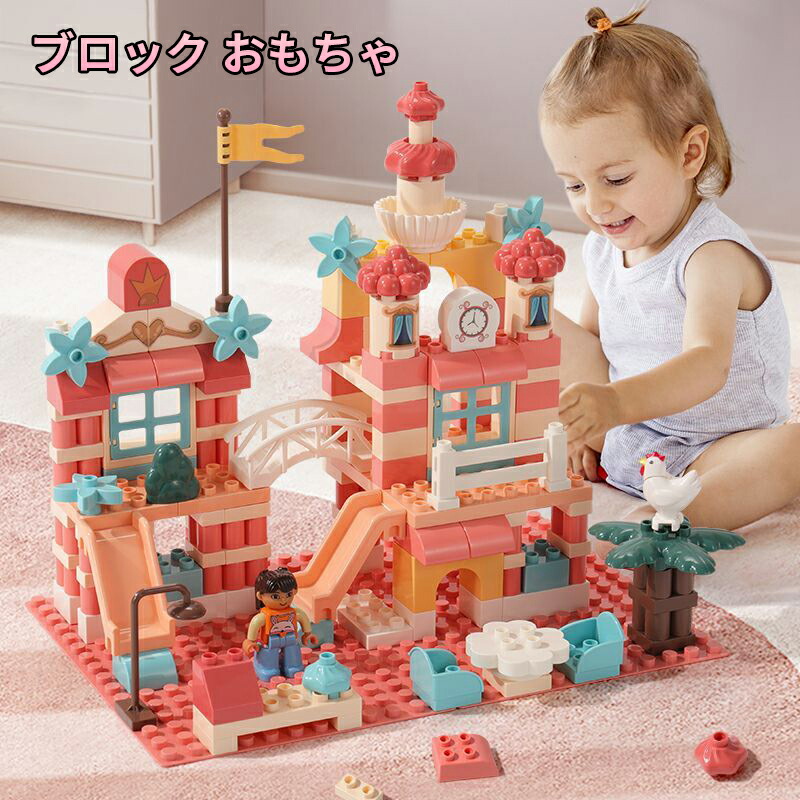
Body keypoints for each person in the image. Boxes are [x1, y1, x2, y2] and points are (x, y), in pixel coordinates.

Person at [538, 4, 799, 532]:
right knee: (530, 314)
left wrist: (613, 404)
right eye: (574, 185)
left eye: (616, 179)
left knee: (793, 449)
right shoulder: (602, 247)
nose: (595, 205)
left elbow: (706, 365)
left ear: (689, 154)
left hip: (718, 446)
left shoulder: (712, 255)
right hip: (634, 433)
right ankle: (613, 461)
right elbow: (593, 347)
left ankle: (665, 520)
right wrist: (586, 420)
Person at [242, 567, 316, 681]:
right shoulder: (263, 617)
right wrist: (250, 642)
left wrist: (307, 634)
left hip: (290, 639)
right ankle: (267, 668)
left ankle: (293, 666)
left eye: (288, 594)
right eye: (275, 596)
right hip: (270, 642)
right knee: (269, 655)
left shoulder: (295, 613)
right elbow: (255, 624)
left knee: (293, 651)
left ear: (295, 591)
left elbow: (303, 618)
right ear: (260, 596)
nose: (283, 600)